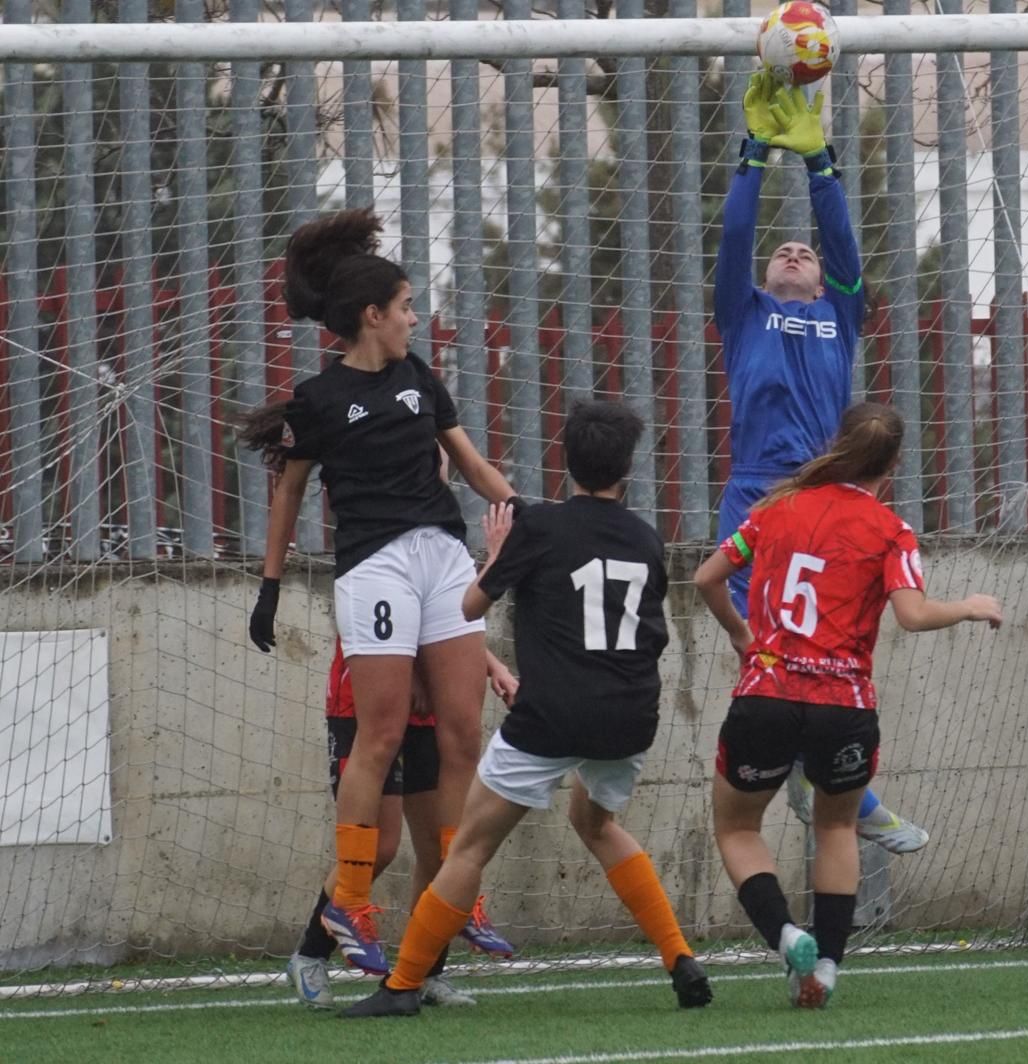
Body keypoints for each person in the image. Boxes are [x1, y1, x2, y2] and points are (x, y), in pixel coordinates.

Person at [342, 400, 712, 1018]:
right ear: (628, 471)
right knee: (596, 824)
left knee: (467, 850)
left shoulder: (538, 527)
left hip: (553, 714)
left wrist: (494, 552)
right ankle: (680, 959)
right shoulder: (648, 539)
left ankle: (401, 986)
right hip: (630, 715)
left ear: (566, 462)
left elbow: (467, 609)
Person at [243, 207, 521, 975]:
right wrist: (269, 587)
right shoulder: (317, 400)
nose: (412, 319)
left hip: (445, 558)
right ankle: (352, 903)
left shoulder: (419, 377)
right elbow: (290, 497)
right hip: (376, 567)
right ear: (373, 316)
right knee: (383, 734)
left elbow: (469, 464)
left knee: (465, 732)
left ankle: (458, 895)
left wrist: (525, 518)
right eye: (404, 308)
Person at [694, 403, 1003, 1007]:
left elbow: (706, 577)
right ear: (892, 464)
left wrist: (740, 633)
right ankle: (826, 968)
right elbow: (912, 616)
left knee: (736, 827)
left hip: (768, 694)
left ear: (838, 445)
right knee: (837, 826)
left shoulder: (774, 510)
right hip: (844, 705)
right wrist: (968, 605)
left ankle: (786, 936)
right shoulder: (891, 530)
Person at [715, 71, 926, 855]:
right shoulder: (744, 314)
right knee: (763, 645)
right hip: (758, 497)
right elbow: (737, 237)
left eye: (802, 249)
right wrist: (753, 159)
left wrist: (820, 166)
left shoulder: (840, 313)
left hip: (829, 500)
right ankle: (813, 781)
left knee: (829, 648)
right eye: (783, 251)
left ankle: (831, 782)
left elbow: (843, 249)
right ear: (768, 279)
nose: (794, 249)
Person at [283, 637, 518, 1009]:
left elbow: (443, 617)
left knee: (439, 849)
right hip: (367, 702)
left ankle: (427, 970)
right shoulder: (364, 578)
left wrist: (493, 664)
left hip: (427, 705)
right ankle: (310, 956)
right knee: (379, 847)